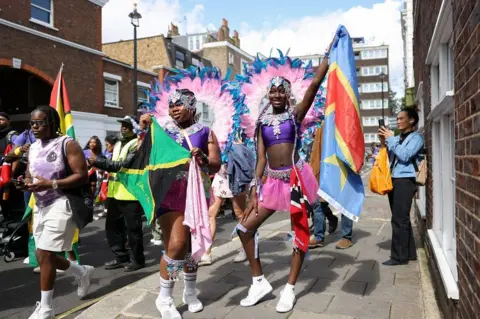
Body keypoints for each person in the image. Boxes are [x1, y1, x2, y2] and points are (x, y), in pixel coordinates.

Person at [238, 43, 333, 313]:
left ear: (289, 94)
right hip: (271, 181)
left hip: (295, 179)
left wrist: (327, 57)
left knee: (299, 233)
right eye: (273, 90)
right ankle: (259, 282)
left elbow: (314, 85)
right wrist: (255, 187)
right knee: (244, 228)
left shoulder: (295, 116)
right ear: (268, 94)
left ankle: (289, 289)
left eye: (282, 90)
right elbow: (260, 158)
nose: (277, 94)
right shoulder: (261, 123)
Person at [139, 88, 221, 319]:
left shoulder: (206, 132)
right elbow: (146, 157)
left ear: (192, 106)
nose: (174, 108)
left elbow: (215, 165)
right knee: (175, 247)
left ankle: (190, 291)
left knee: (189, 248)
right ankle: (165, 297)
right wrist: (146, 127)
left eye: (179, 104)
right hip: (169, 193)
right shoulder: (162, 132)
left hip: (195, 194)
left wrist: (202, 158)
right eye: (171, 105)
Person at [15, 106, 94, 319]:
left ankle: (46, 308)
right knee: (44, 256)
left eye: (40, 122)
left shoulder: (68, 144)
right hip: (40, 206)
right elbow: (31, 176)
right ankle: (82, 272)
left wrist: (52, 184)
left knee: (45, 254)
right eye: (32, 123)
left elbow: (82, 176)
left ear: (52, 122)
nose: (34, 126)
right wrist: (26, 184)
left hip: (62, 202)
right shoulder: (32, 148)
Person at [88, 116, 145, 272]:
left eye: (127, 125)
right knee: (113, 228)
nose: (123, 128)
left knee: (133, 229)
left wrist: (97, 161)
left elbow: (123, 165)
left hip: (131, 193)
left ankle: (137, 260)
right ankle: (121, 257)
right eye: (122, 125)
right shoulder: (119, 143)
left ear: (134, 127)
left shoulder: (138, 144)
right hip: (115, 192)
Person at [379, 108, 423, 266]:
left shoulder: (416, 138)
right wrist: (384, 142)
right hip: (394, 180)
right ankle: (410, 253)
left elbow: (405, 156)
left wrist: (391, 140)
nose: (397, 121)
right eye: (397, 118)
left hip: (405, 180)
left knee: (398, 219)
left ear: (411, 120)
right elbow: (391, 157)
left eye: (401, 118)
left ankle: (399, 257)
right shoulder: (397, 137)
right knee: (401, 218)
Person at [199, 162, 248, 266]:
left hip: (236, 174)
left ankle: (246, 248)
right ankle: (206, 253)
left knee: (239, 213)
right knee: (210, 214)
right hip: (221, 175)